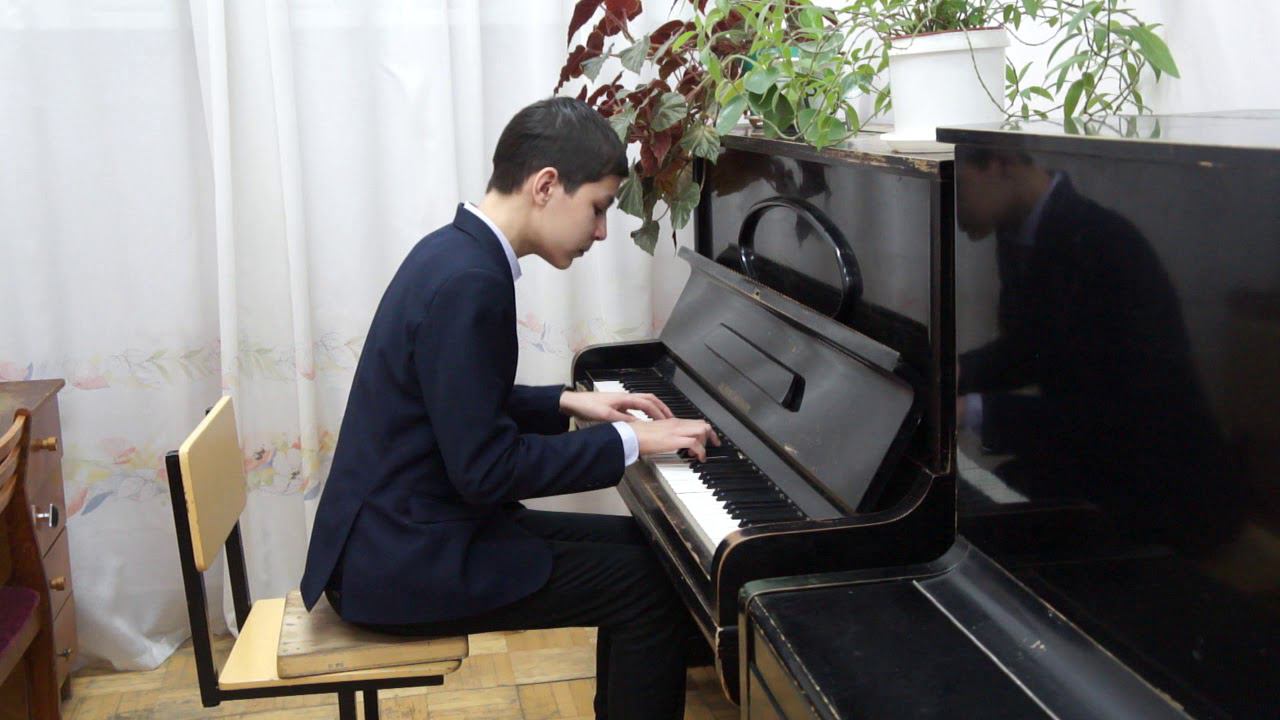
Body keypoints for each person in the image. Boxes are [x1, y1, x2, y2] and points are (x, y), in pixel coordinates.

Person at [300, 97, 717, 719]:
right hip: (400, 562)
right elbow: (487, 471)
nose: (602, 231)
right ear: (546, 186)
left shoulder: (452, 252)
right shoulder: (471, 282)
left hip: (398, 532)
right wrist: (632, 442)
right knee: (646, 588)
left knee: (650, 551)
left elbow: (454, 401)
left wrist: (569, 402)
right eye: (598, 208)